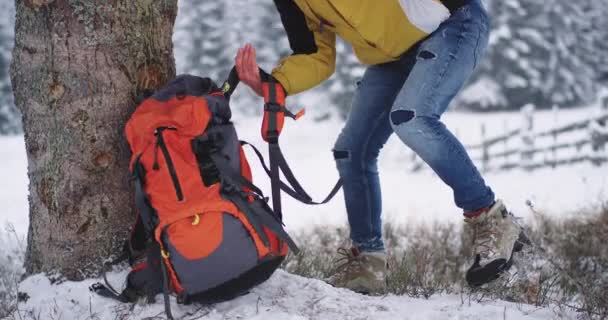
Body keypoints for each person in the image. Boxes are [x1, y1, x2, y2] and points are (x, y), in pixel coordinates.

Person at [235, 0, 524, 294]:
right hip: (393, 55)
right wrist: (275, 82)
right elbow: (315, 54)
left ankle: (492, 220)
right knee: (352, 149)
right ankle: (367, 261)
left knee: (411, 118)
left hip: (453, 23)